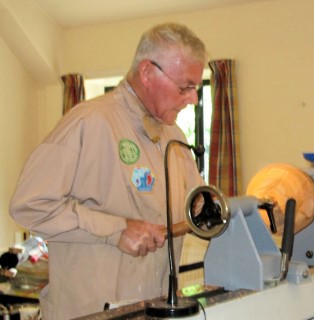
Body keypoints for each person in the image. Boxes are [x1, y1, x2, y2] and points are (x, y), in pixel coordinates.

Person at [9, 22, 207, 319]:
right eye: (185, 87)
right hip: (91, 313)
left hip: (154, 309)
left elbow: (199, 207)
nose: (193, 98)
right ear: (147, 73)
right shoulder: (88, 123)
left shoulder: (174, 137)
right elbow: (30, 205)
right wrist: (115, 230)